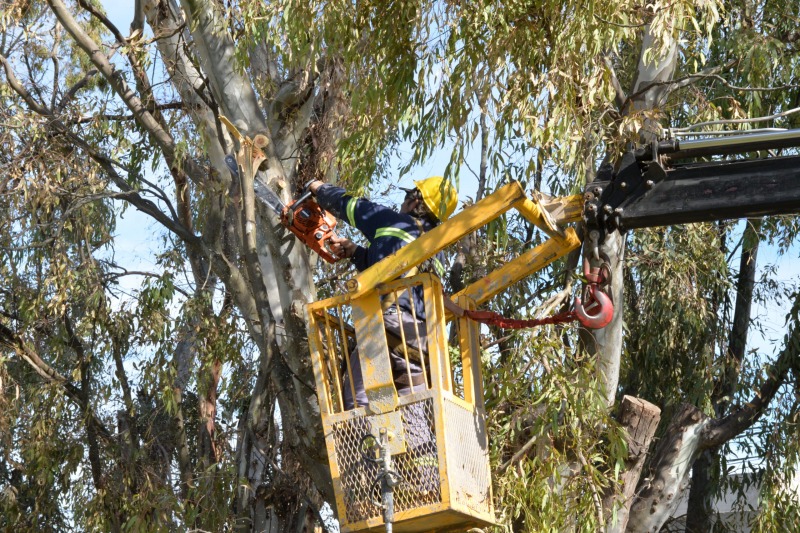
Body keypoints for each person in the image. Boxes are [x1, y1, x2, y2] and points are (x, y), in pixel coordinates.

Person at [307, 176, 460, 410]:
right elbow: (394, 271)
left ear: (414, 201)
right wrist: (357, 252)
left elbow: (350, 206)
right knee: (414, 406)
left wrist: (318, 188)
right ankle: (421, 446)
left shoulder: (394, 222)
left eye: (407, 195)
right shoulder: (436, 250)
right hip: (421, 339)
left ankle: (361, 445)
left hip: (388, 327)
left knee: (360, 402)